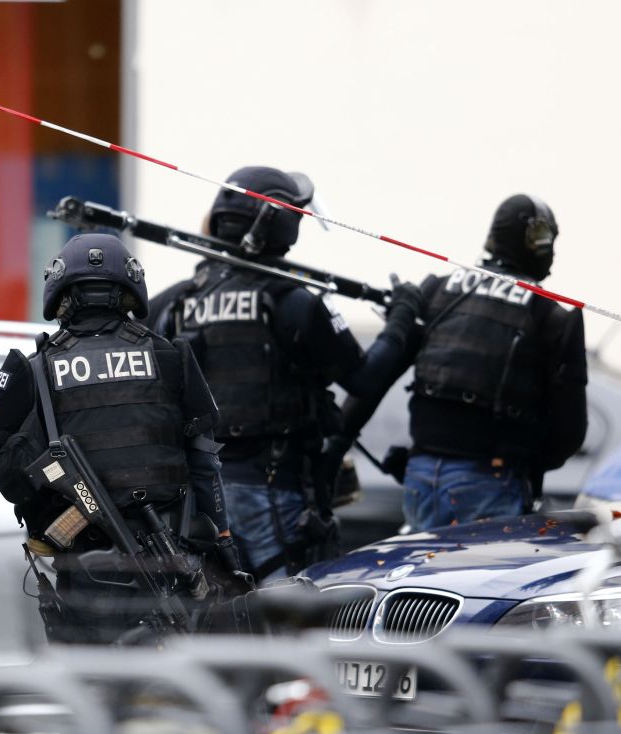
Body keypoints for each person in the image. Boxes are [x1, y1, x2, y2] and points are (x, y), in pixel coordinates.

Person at [0, 232, 251, 644]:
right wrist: (224, 544)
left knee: (93, 675)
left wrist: (37, 493)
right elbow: (204, 460)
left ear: (61, 294)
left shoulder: (37, 368)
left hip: (87, 565)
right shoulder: (170, 356)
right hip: (173, 557)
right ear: (129, 291)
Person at [144, 166, 421, 582]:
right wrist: (402, 318)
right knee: (288, 609)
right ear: (281, 226)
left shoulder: (176, 301)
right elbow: (362, 379)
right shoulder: (292, 300)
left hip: (196, 495)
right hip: (271, 490)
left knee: (218, 610)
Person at [330, 193, 588, 531]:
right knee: (480, 569)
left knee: (424, 567)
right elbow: (570, 434)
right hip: (491, 482)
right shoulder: (551, 317)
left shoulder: (437, 291)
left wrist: (336, 443)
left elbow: (373, 381)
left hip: (420, 476)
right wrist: (526, 466)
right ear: (535, 240)